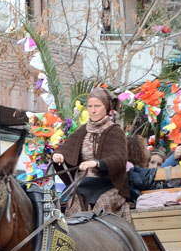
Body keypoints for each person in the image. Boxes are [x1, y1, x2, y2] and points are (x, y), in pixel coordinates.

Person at [52, 87, 132, 222]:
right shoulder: (82, 131)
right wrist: (58, 155)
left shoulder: (115, 131)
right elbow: (64, 149)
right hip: (84, 185)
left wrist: (96, 163)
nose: (93, 110)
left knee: (103, 205)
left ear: (106, 107)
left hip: (109, 186)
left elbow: (119, 159)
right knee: (73, 205)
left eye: (97, 106)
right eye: (90, 106)